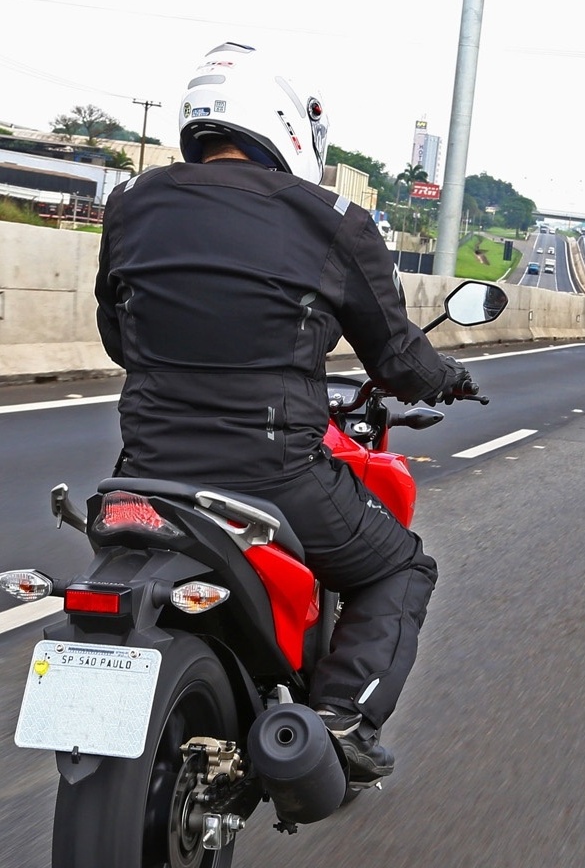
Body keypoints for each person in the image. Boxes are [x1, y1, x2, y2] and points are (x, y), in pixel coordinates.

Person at [94, 41, 473, 783]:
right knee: (402, 565)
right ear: (285, 126)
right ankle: (339, 719)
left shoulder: (130, 203)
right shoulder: (332, 220)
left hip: (144, 473)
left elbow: (118, 335)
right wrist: (447, 378)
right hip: (276, 474)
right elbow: (396, 359)